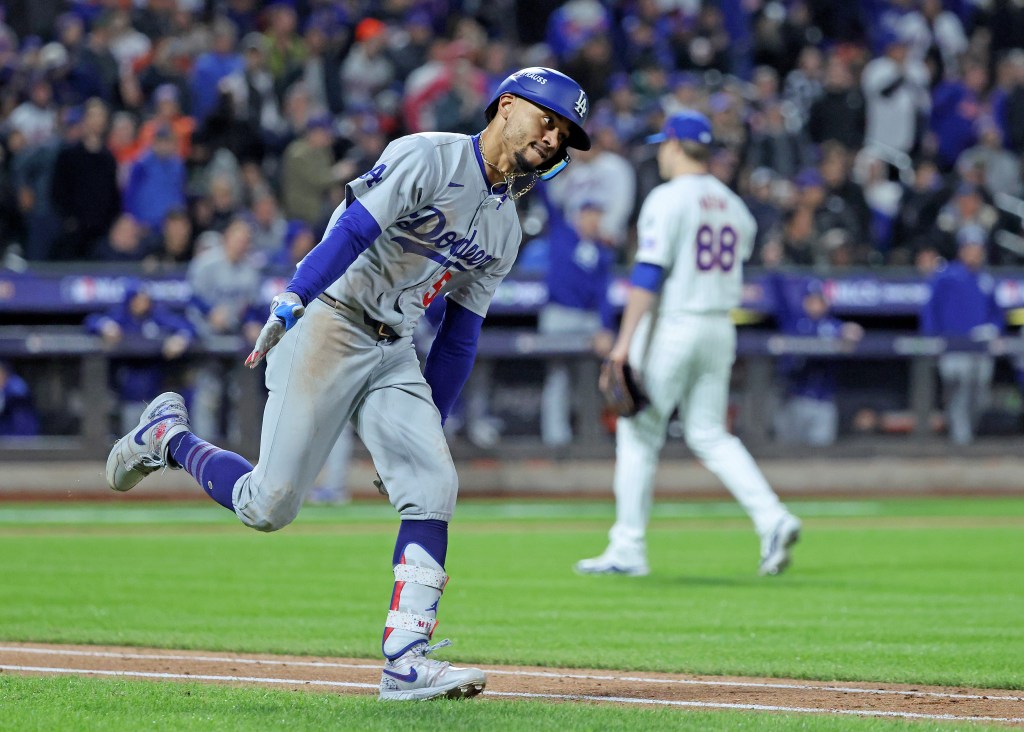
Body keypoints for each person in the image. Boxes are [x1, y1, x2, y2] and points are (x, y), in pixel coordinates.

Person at [104, 67, 592, 700]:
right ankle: (169, 437)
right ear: (505, 106)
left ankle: (405, 660)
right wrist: (294, 296)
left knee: (433, 483)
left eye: (565, 135)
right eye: (547, 119)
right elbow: (355, 227)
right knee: (267, 506)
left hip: (394, 349)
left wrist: (430, 426)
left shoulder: (504, 229)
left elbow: (460, 336)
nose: (553, 138)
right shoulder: (429, 156)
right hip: (330, 320)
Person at [575, 111, 801, 579]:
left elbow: (648, 274)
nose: (661, 151)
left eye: (664, 143)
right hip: (720, 325)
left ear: (676, 145)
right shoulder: (732, 204)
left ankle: (628, 548)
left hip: (675, 324)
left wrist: (623, 345)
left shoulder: (668, 197)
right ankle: (773, 517)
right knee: (709, 434)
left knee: (639, 434)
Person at [920, 224, 1003, 445]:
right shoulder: (946, 276)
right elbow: (930, 310)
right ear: (961, 250)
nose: (974, 253)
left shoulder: (986, 279)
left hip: (981, 347)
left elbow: (997, 314)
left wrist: (993, 328)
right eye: (970, 248)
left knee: (981, 395)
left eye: (978, 248)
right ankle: (960, 440)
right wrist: (932, 340)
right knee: (959, 391)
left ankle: (966, 434)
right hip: (952, 345)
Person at [773, 278, 864, 446]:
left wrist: (849, 333)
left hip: (824, 403)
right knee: (787, 454)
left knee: (820, 458)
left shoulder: (833, 326)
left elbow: (852, 333)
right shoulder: (794, 324)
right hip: (795, 401)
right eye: (812, 300)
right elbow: (779, 299)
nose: (816, 305)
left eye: (819, 300)